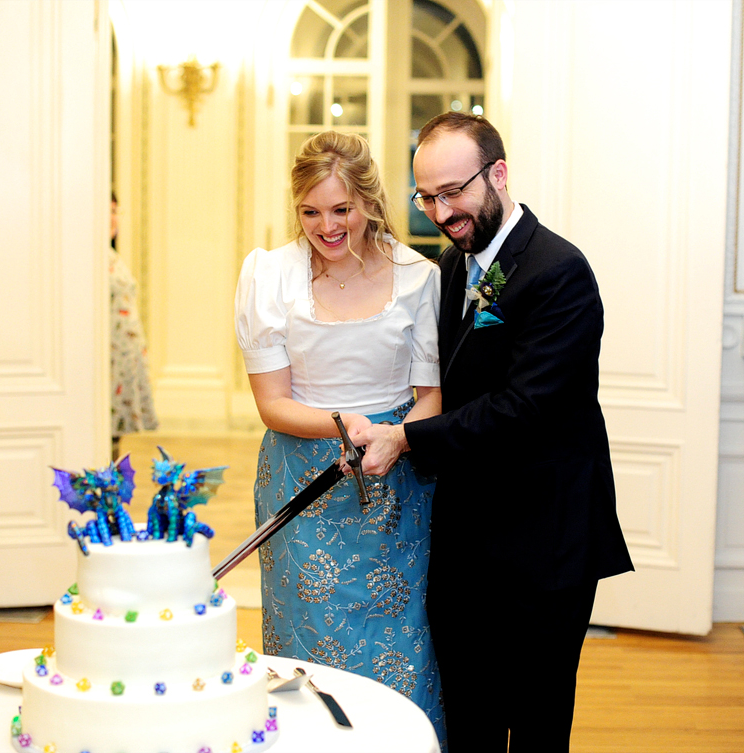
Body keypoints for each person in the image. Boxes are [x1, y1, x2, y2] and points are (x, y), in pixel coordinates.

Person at [351, 113, 634, 752]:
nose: (442, 210)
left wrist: (406, 439)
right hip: (467, 537)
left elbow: (524, 407)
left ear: (498, 174)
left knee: (536, 721)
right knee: (469, 714)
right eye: (427, 196)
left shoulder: (558, 270)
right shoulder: (453, 266)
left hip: (545, 539)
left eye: (456, 191)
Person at [234, 131, 446, 743]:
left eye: (342, 209)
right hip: (303, 483)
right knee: (310, 641)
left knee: (400, 640)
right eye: (310, 211)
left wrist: (392, 437)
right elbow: (272, 404)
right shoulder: (269, 275)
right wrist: (342, 424)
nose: (326, 226)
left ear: (370, 202)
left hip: (394, 479)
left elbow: (430, 396)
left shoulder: (418, 277)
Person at [110, 194, 158, 453]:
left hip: (122, 363)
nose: (111, 218)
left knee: (115, 441)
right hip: (107, 367)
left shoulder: (111, 256)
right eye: (105, 211)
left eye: (115, 210)